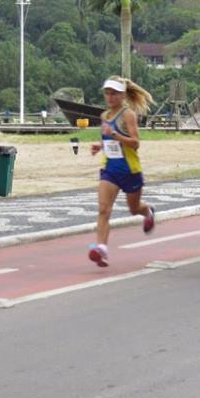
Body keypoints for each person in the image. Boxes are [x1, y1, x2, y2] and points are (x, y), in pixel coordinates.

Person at [87, 77, 156, 267]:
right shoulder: (104, 116)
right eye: (107, 93)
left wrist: (116, 135)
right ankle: (101, 249)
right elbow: (108, 140)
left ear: (122, 95)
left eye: (114, 93)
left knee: (134, 209)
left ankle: (148, 212)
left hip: (130, 170)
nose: (110, 97)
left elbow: (135, 143)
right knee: (103, 209)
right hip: (110, 169)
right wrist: (99, 146)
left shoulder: (128, 115)